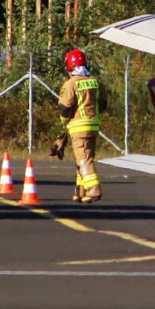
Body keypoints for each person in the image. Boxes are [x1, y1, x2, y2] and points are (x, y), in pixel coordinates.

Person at [56, 49, 102, 203]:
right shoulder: (95, 81)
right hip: (94, 126)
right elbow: (103, 104)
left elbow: (65, 107)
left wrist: (64, 123)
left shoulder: (70, 84)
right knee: (86, 157)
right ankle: (81, 192)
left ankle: (93, 189)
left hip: (78, 126)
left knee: (83, 159)